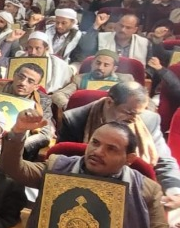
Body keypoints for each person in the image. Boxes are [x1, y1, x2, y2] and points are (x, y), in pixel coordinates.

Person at [0, 112, 172, 228]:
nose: (98, 151)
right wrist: (18, 132)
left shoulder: (146, 191)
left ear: (129, 159)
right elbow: (14, 169)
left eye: (111, 149)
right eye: (95, 143)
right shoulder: (58, 168)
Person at [58, 81, 180, 209]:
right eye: (129, 112)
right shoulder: (75, 119)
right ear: (109, 102)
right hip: (83, 186)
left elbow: (164, 160)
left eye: (138, 114)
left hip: (133, 189)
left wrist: (175, 191)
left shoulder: (149, 120)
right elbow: (64, 163)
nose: (134, 119)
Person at [0, 48, 54, 160]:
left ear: (36, 87)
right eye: (21, 77)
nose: (23, 83)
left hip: (15, 148)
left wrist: (16, 144)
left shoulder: (42, 101)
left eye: (30, 81)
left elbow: (45, 134)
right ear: (14, 76)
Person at [52, 49, 134, 109]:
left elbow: (136, 99)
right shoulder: (80, 79)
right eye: (98, 63)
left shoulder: (125, 80)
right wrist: (72, 108)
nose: (100, 67)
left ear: (114, 68)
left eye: (106, 65)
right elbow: (58, 95)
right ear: (92, 63)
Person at [0, 31, 72, 94]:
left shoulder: (58, 64)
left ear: (46, 49)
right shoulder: (21, 57)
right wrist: (9, 41)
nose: (33, 52)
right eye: (30, 47)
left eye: (37, 48)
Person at [73, 13, 151, 66]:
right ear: (116, 25)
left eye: (128, 28)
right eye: (121, 25)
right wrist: (96, 25)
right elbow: (86, 47)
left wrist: (146, 74)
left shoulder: (144, 43)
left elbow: (150, 66)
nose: (123, 30)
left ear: (135, 29)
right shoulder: (102, 37)